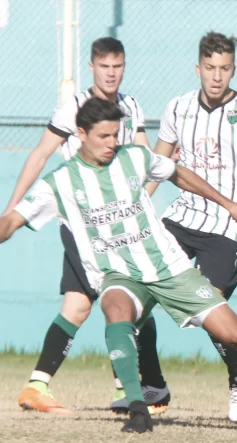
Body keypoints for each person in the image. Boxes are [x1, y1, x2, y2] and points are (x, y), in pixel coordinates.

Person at [0, 97, 237, 433]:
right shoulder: (59, 183)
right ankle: (138, 408)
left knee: (236, 334)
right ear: (81, 134)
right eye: (103, 136)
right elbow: (11, 222)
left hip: (169, 267)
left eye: (115, 134)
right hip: (119, 274)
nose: (111, 143)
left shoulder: (134, 157)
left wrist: (227, 204)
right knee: (115, 309)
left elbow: (177, 173)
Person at [6, 37, 170, 415]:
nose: (112, 73)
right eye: (105, 66)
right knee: (129, 298)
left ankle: (39, 386)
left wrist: (138, 200)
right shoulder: (73, 109)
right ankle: (137, 389)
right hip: (84, 226)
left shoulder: (130, 106)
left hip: (120, 227)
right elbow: (41, 154)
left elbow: (145, 158)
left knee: (80, 305)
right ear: (92, 67)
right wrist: (13, 208)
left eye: (118, 66)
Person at [145, 31, 237, 422]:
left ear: (233, 69)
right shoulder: (178, 107)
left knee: (210, 305)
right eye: (209, 68)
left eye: (224, 69)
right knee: (136, 287)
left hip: (226, 224)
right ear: (198, 68)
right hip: (182, 215)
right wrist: (139, 199)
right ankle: (151, 385)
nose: (216, 76)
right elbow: (160, 161)